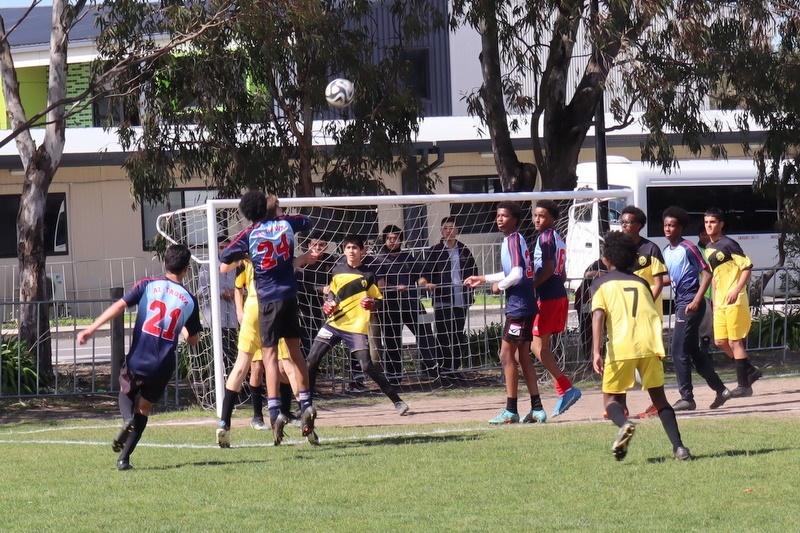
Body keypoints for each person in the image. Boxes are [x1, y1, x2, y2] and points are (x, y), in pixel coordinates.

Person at [77, 244, 202, 470]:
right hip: (163, 364)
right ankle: (124, 459)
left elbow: (120, 306)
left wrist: (91, 328)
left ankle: (127, 421)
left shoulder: (147, 285)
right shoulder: (190, 300)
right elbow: (194, 340)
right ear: (186, 269)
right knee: (144, 408)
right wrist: (182, 329)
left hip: (139, 356)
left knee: (126, 391)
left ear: (164, 263)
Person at [217, 191, 316, 446]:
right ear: (273, 209)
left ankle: (273, 412)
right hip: (290, 297)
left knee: (267, 357)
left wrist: (247, 255)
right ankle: (306, 403)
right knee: (295, 355)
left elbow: (224, 256)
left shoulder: (249, 235)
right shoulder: (286, 224)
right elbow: (306, 221)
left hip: (265, 301)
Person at [591, 231, 691, 461]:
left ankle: (625, 424)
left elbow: (598, 315)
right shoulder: (641, 283)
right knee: (660, 400)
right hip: (649, 344)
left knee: (612, 400)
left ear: (607, 258)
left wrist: (596, 351)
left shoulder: (601, 284)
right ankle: (679, 448)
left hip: (621, 346)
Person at [306, 234, 409, 415]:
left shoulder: (368, 274)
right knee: (311, 360)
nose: (351, 251)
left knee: (367, 366)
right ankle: (306, 406)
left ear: (362, 250)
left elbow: (377, 300)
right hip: (334, 324)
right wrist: (328, 304)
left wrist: (372, 303)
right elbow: (332, 295)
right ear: (344, 250)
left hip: (355, 327)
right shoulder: (337, 270)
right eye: (348, 248)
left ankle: (397, 401)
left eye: (355, 248)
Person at [464, 201, 547, 425]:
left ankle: (511, 410)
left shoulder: (513, 240)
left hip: (519, 307)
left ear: (515, 219)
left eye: (504, 215)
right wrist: (483, 278)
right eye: (498, 215)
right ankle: (537, 408)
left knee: (505, 355)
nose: (499, 219)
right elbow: (510, 271)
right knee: (522, 356)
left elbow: (517, 274)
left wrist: (498, 286)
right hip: (525, 305)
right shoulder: (513, 240)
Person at [662, 206, 731, 411]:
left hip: (690, 303)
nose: (668, 229)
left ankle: (687, 398)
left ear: (681, 228)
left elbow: (707, 273)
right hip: (682, 302)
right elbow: (671, 278)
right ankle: (721, 389)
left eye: (672, 225)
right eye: (666, 225)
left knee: (677, 350)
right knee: (692, 351)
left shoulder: (688, 247)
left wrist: (697, 299)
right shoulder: (667, 251)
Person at [233, 258, 308, 438]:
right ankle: (257, 416)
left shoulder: (278, 260)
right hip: (255, 318)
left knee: (284, 365)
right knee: (257, 368)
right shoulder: (245, 262)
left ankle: (291, 411)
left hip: (275, 315)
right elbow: (238, 287)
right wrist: (239, 311)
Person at [531, 200, 581, 418]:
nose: (536, 219)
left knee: (537, 347)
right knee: (541, 346)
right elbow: (563, 273)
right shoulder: (558, 237)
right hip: (557, 293)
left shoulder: (546, 237)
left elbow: (550, 269)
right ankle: (563, 389)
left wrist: (531, 286)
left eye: (541, 216)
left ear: (552, 218)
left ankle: (566, 388)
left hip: (549, 296)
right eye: (535, 215)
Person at [704, 207, 762, 397]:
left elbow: (746, 267)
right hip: (720, 302)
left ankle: (744, 386)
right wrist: (713, 301)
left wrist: (736, 290)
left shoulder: (729, 244)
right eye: (706, 222)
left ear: (721, 224)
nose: (709, 226)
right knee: (720, 341)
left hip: (735, 300)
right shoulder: (709, 248)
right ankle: (750, 370)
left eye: (712, 222)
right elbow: (713, 275)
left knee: (735, 341)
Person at [369, 225, 438, 383]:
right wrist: (394, 288)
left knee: (426, 334)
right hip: (390, 306)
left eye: (395, 238)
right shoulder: (378, 259)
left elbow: (419, 277)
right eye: (389, 238)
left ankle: (432, 370)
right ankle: (395, 377)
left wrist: (425, 284)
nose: (392, 241)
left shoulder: (408, 257)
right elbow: (380, 284)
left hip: (412, 303)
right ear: (384, 240)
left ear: (400, 240)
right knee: (392, 341)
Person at [619, 205, 668, 419]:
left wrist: (647, 302)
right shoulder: (619, 249)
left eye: (627, 222)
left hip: (647, 315)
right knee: (621, 356)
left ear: (638, 226)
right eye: (621, 221)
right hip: (624, 314)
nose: (623, 225)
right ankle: (621, 406)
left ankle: (658, 403)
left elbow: (660, 281)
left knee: (651, 359)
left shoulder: (651, 249)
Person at [418, 217, 478, 376]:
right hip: (442, 299)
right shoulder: (435, 251)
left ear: (457, 230)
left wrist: (473, 285)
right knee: (443, 334)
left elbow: (473, 271)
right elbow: (424, 275)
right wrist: (426, 284)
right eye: (445, 228)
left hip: (461, 299)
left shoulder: (464, 250)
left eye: (451, 228)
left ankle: (454, 368)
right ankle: (443, 368)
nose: (449, 231)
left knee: (457, 334)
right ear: (441, 231)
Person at [197, 236, 238, 371]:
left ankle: (230, 386)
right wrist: (221, 293)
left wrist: (235, 292)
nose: (224, 250)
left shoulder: (236, 265)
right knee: (216, 356)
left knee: (231, 355)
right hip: (214, 318)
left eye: (227, 247)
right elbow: (201, 291)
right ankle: (214, 384)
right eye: (221, 247)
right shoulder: (207, 266)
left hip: (232, 318)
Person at [574, 258, 607, 360]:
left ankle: (599, 355)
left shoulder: (613, 266)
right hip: (586, 302)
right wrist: (602, 274)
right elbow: (587, 274)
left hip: (599, 302)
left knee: (602, 330)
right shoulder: (597, 265)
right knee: (588, 331)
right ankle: (589, 357)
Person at [696, 229, 714, 357]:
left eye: (707, 234)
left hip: (716, 292)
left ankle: (706, 353)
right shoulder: (696, 251)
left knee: (712, 324)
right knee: (704, 325)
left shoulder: (716, 248)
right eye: (703, 234)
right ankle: (702, 354)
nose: (705, 237)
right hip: (703, 293)